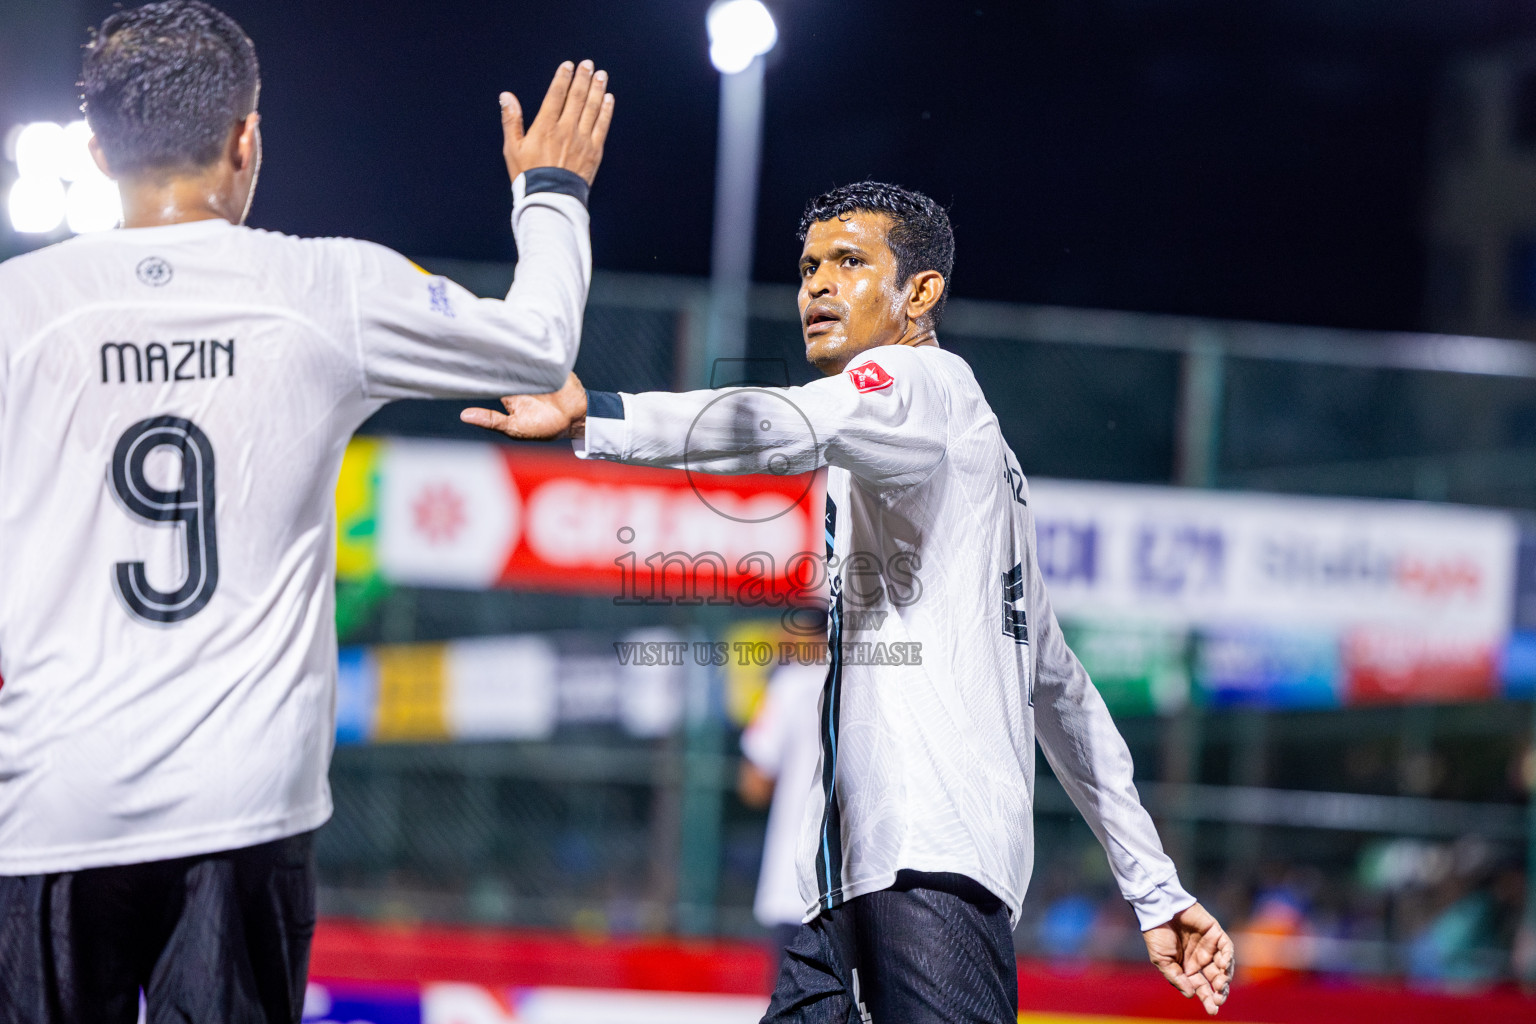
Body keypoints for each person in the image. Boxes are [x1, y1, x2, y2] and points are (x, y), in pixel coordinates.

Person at [464, 182, 1236, 1022]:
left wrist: (600, 417)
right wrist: (1154, 887)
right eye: (807, 268)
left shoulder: (908, 380)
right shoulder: (976, 458)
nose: (817, 286)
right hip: (853, 884)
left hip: (921, 869)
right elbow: (1065, 694)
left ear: (921, 292)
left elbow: (781, 424)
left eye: (849, 261)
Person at [0, 3, 613, 1021]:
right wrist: (549, 193)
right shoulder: (323, 285)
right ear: (246, 137)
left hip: (52, 788)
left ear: (98, 147)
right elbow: (540, 342)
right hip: (241, 799)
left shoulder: (19, 310)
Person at [739, 660, 828, 969]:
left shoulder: (793, 684)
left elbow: (755, 784)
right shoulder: (879, 677)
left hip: (796, 884)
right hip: (870, 883)